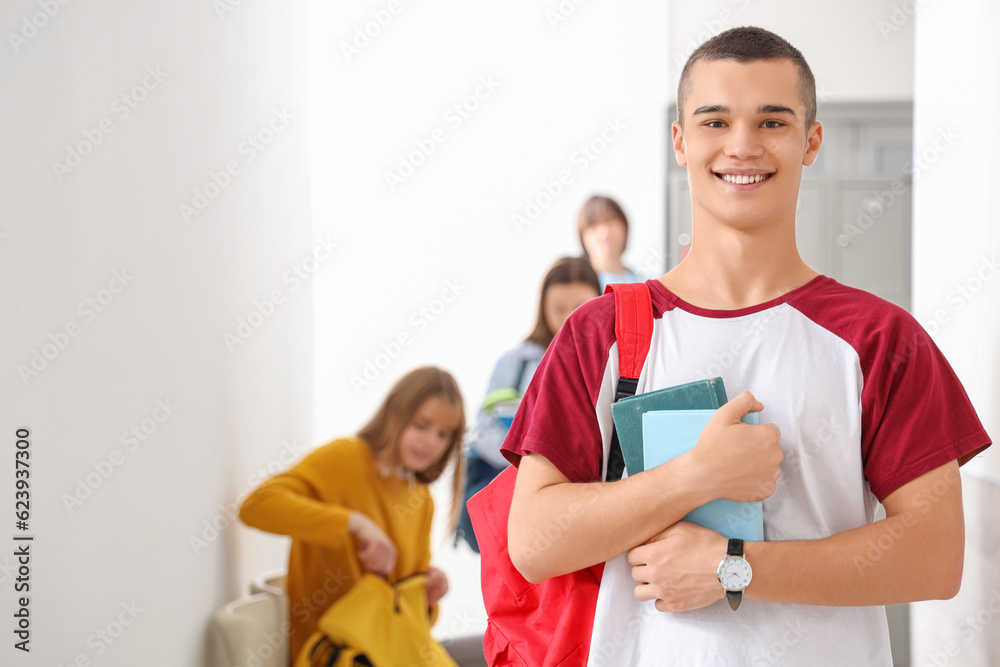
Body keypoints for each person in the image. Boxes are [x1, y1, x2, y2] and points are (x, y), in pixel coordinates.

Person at [502, 26, 991, 665]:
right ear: (680, 140)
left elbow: (934, 556)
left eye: (771, 122)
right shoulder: (602, 333)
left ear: (810, 140)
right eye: (714, 121)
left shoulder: (879, 339)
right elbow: (534, 541)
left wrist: (736, 568)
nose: (741, 145)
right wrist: (695, 476)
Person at [240, 366, 466, 664]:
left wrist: (428, 595)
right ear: (394, 414)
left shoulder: (421, 500)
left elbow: (400, 614)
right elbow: (257, 507)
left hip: (380, 653)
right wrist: (355, 524)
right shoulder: (346, 458)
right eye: (421, 425)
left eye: (443, 435)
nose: (430, 443)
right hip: (330, 654)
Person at [456, 256, 600, 551]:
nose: (568, 319)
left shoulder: (610, 362)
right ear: (542, 307)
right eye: (558, 308)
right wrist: (527, 463)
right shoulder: (516, 361)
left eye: (580, 308)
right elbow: (484, 427)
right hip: (516, 483)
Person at [577, 195, 638, 291]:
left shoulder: (646, 285)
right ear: (582, 236)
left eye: (610, 219)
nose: (604, 233)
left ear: (625, 226)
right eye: (593, 223)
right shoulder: (576, 286)